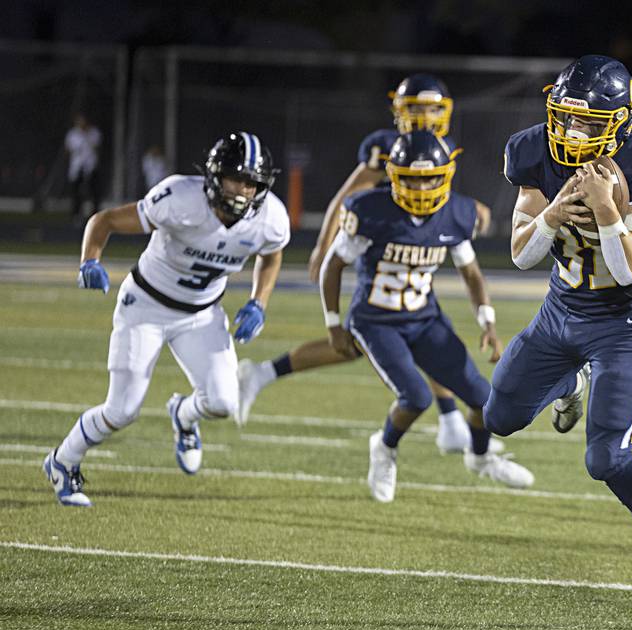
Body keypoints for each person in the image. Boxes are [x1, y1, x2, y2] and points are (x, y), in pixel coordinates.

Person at [483, 55, 632, 630]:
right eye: (566, 119)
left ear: (620, 123)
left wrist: (608, 209)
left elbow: (626, 271)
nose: (572, 133)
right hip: (560, 310)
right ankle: (568, 382)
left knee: (605, 458)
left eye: (589, 124)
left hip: (625, 323)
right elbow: (520, 254)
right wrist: (554, 215)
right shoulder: (531, 151)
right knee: (498, 417)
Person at [236, 74, 497, 456]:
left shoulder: (444, 147)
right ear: (400, 112)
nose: (424, 116)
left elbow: (438, 201)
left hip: (417, 251)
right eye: (416, 108)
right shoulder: (387, 148)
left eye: (431, 108)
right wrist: (326, 244)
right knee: (390, 338)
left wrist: (467, 212)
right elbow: (349, 195)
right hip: (381, 250)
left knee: (411, 331)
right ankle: (449, 421)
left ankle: (261, 374)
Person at [42, 131, 289, 507]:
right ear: (214, 175)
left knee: (224, 402)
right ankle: (63, 460)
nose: (243, 190)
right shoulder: (179, 198)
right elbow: (104, 220)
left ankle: (183, 415)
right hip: (146, 307)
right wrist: (89, 260)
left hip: (202, 314)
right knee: (122, 410)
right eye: (236, 178)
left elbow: (271, 255)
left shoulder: (270, 218)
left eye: (252, 182)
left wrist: (259, 302)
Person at [321, 130, 534, 502]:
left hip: (424, 319)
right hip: (375, 321)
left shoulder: (456, 213)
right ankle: (384, 449)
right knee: (415, 397)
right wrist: (334, 324)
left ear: (447, 175)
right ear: (394, 176)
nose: (422, 190)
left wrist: (487, 322)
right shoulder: (369, 211)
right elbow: (332, 267)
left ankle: (480, 458)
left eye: (430, 179)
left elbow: (471, 273)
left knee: (486, 400)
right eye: (413, 180)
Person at [64, 113, 102, 226]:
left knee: (93, 193)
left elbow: (97, 148)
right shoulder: (72, 134)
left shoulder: (94, 133)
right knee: (76, 194)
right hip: (77, 167)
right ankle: (76, 216)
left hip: (91, 166)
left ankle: (95, 216)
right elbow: (68, 150)